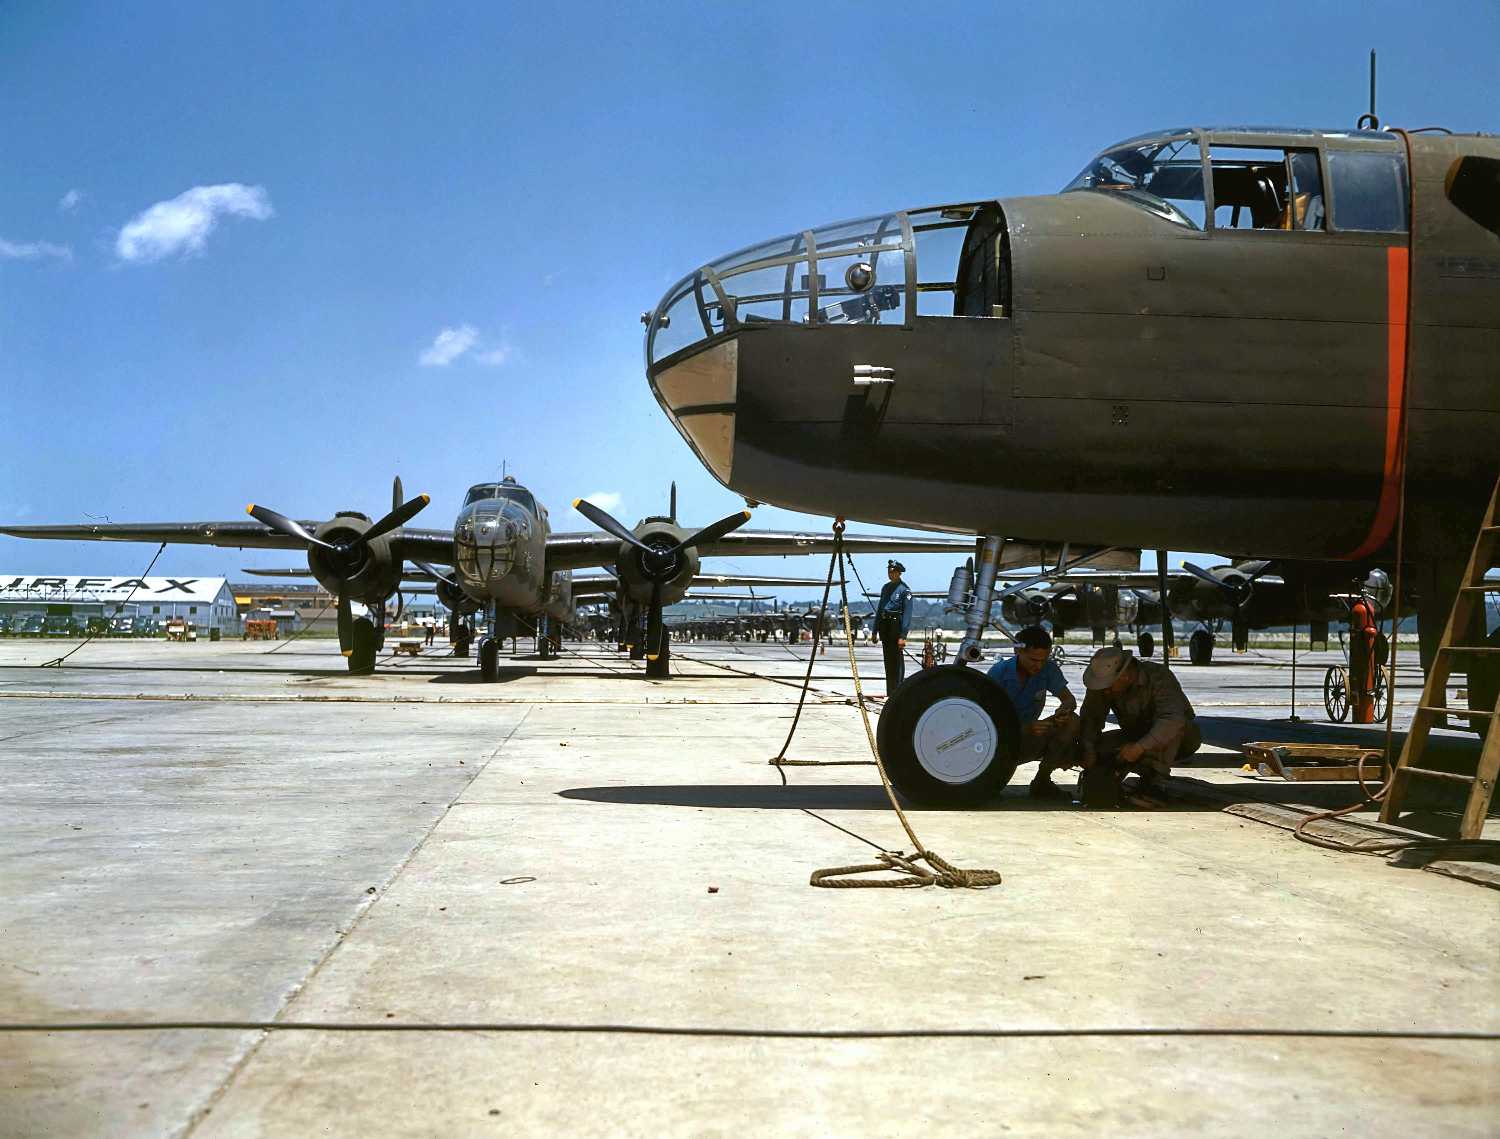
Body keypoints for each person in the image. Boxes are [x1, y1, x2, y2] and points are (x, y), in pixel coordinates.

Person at [1077, 646, 1200, 808]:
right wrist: (1089, 748)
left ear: (1126, 675)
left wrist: (1139, 747)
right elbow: (1091, 719)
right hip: (1133, 734)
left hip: (1178, 738)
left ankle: (1155, 782)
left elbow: (1173, 719)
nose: (1105, 691)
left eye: (1109, 686)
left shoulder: (1159, 677)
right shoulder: (1104, 686)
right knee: (1100, 749)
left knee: (1172, 729)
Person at [985, 625, 1080, 799]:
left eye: (1043, 660)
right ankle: (989, 778)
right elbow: (985, 724)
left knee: (1072, 721)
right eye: (1033, 660)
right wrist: (1024, 729)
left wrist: (1064, 710)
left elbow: (1070, 700)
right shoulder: (999, 673)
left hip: (1029, 738)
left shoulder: (1048, 669)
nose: (1038, 666)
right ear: (1018, 651)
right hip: (998, 743)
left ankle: (1042, 780)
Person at [872, 559, 913, 692]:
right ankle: (890, 691)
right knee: (888, 660)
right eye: (889, 571)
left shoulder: (904, 590)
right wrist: (874, 630)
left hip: (896, 625)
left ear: (899, 573)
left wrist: (903, 635)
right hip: (885, 626)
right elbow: (880, 609)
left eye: (893, 571)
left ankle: (898, 690)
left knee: (897, 661)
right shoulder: (886, 588)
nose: (890, 573)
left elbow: (907, 614)